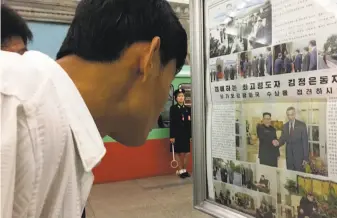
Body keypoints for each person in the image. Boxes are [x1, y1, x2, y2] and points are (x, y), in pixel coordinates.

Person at [0, 0, 187, 217]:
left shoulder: (54, 124)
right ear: (149, 61)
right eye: (169, 78)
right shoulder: (15, 104)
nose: (166, 98)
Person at [272, 107, 309, 172]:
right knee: (290, 176)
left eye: (291, 114)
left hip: (299, 157)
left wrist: (305, 158)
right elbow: (282, 138)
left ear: (295, 114)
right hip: (289, 157)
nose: (290, 117)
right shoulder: (285, 126)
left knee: (299, 177)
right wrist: (278, 142)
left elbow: (305, 142)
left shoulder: (302, 125)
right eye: (288, 115)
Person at [169, 89, 192, 179]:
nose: (181, 98)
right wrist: (172, 136)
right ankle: (181, 170)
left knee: (187, 152)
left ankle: (184, 169)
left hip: (185, 134)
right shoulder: (173, 109)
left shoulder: (188, 109)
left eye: (182, 96)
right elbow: (172, 123)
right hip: (176, 134)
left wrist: (190, 135)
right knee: (177, 153)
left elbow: (189, 123)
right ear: (175, 98)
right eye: (179, 96)